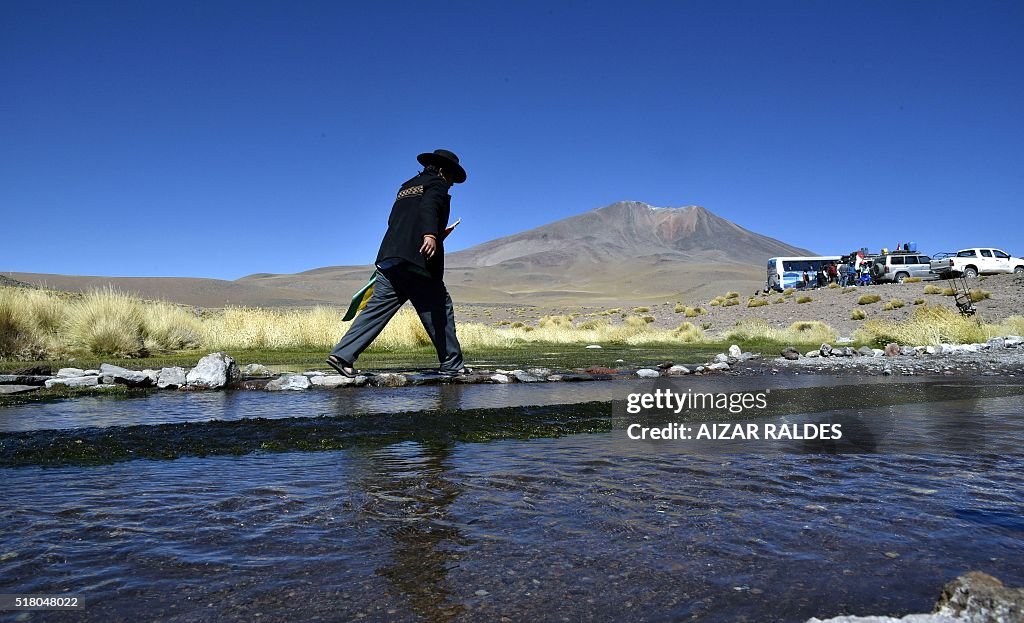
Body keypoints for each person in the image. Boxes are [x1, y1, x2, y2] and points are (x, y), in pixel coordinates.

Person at [327, 149, 467, 377]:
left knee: (376, 310)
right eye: (451, 178)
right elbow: (429, 207)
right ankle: (452, 365)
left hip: (390, 258)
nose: (451, 185)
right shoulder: (437, 184)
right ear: (443, 171)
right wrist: (431, 234)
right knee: (440, 308)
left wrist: (434, 232)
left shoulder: (407, 187)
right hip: (418, 261)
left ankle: (342, 355)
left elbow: (397, 220)